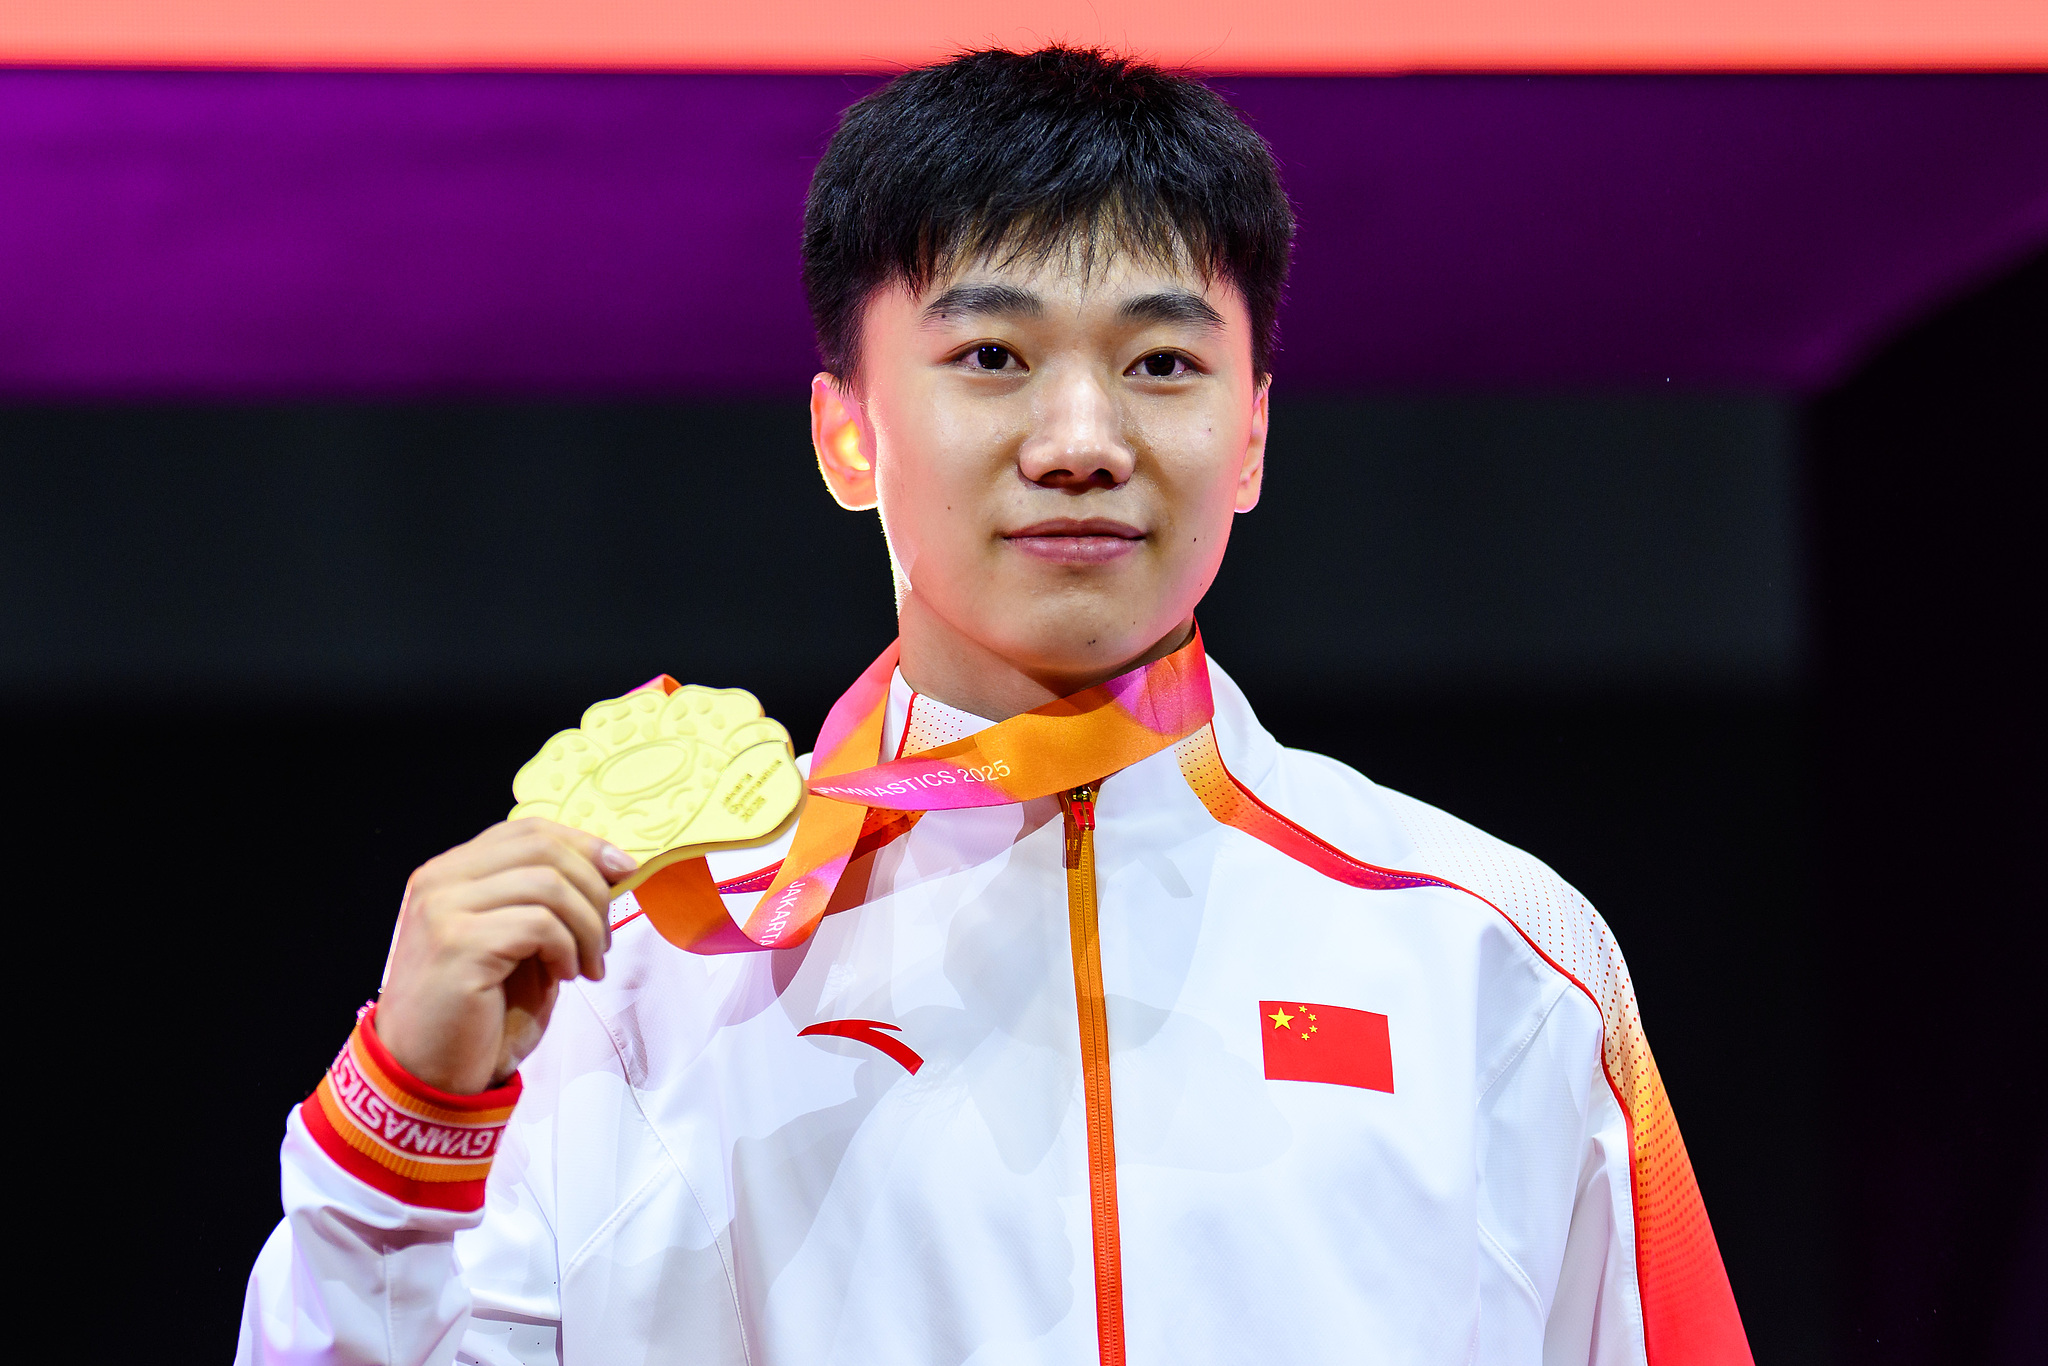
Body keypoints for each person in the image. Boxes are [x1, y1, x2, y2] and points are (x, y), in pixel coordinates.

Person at [237, 46, 1750, 1365]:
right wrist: (406, 1122)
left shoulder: (1499, 955)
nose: (1082, 437)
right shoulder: (629, 981)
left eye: (1162, 360)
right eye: (992, 356)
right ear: (848, 437)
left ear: (1253, 438)